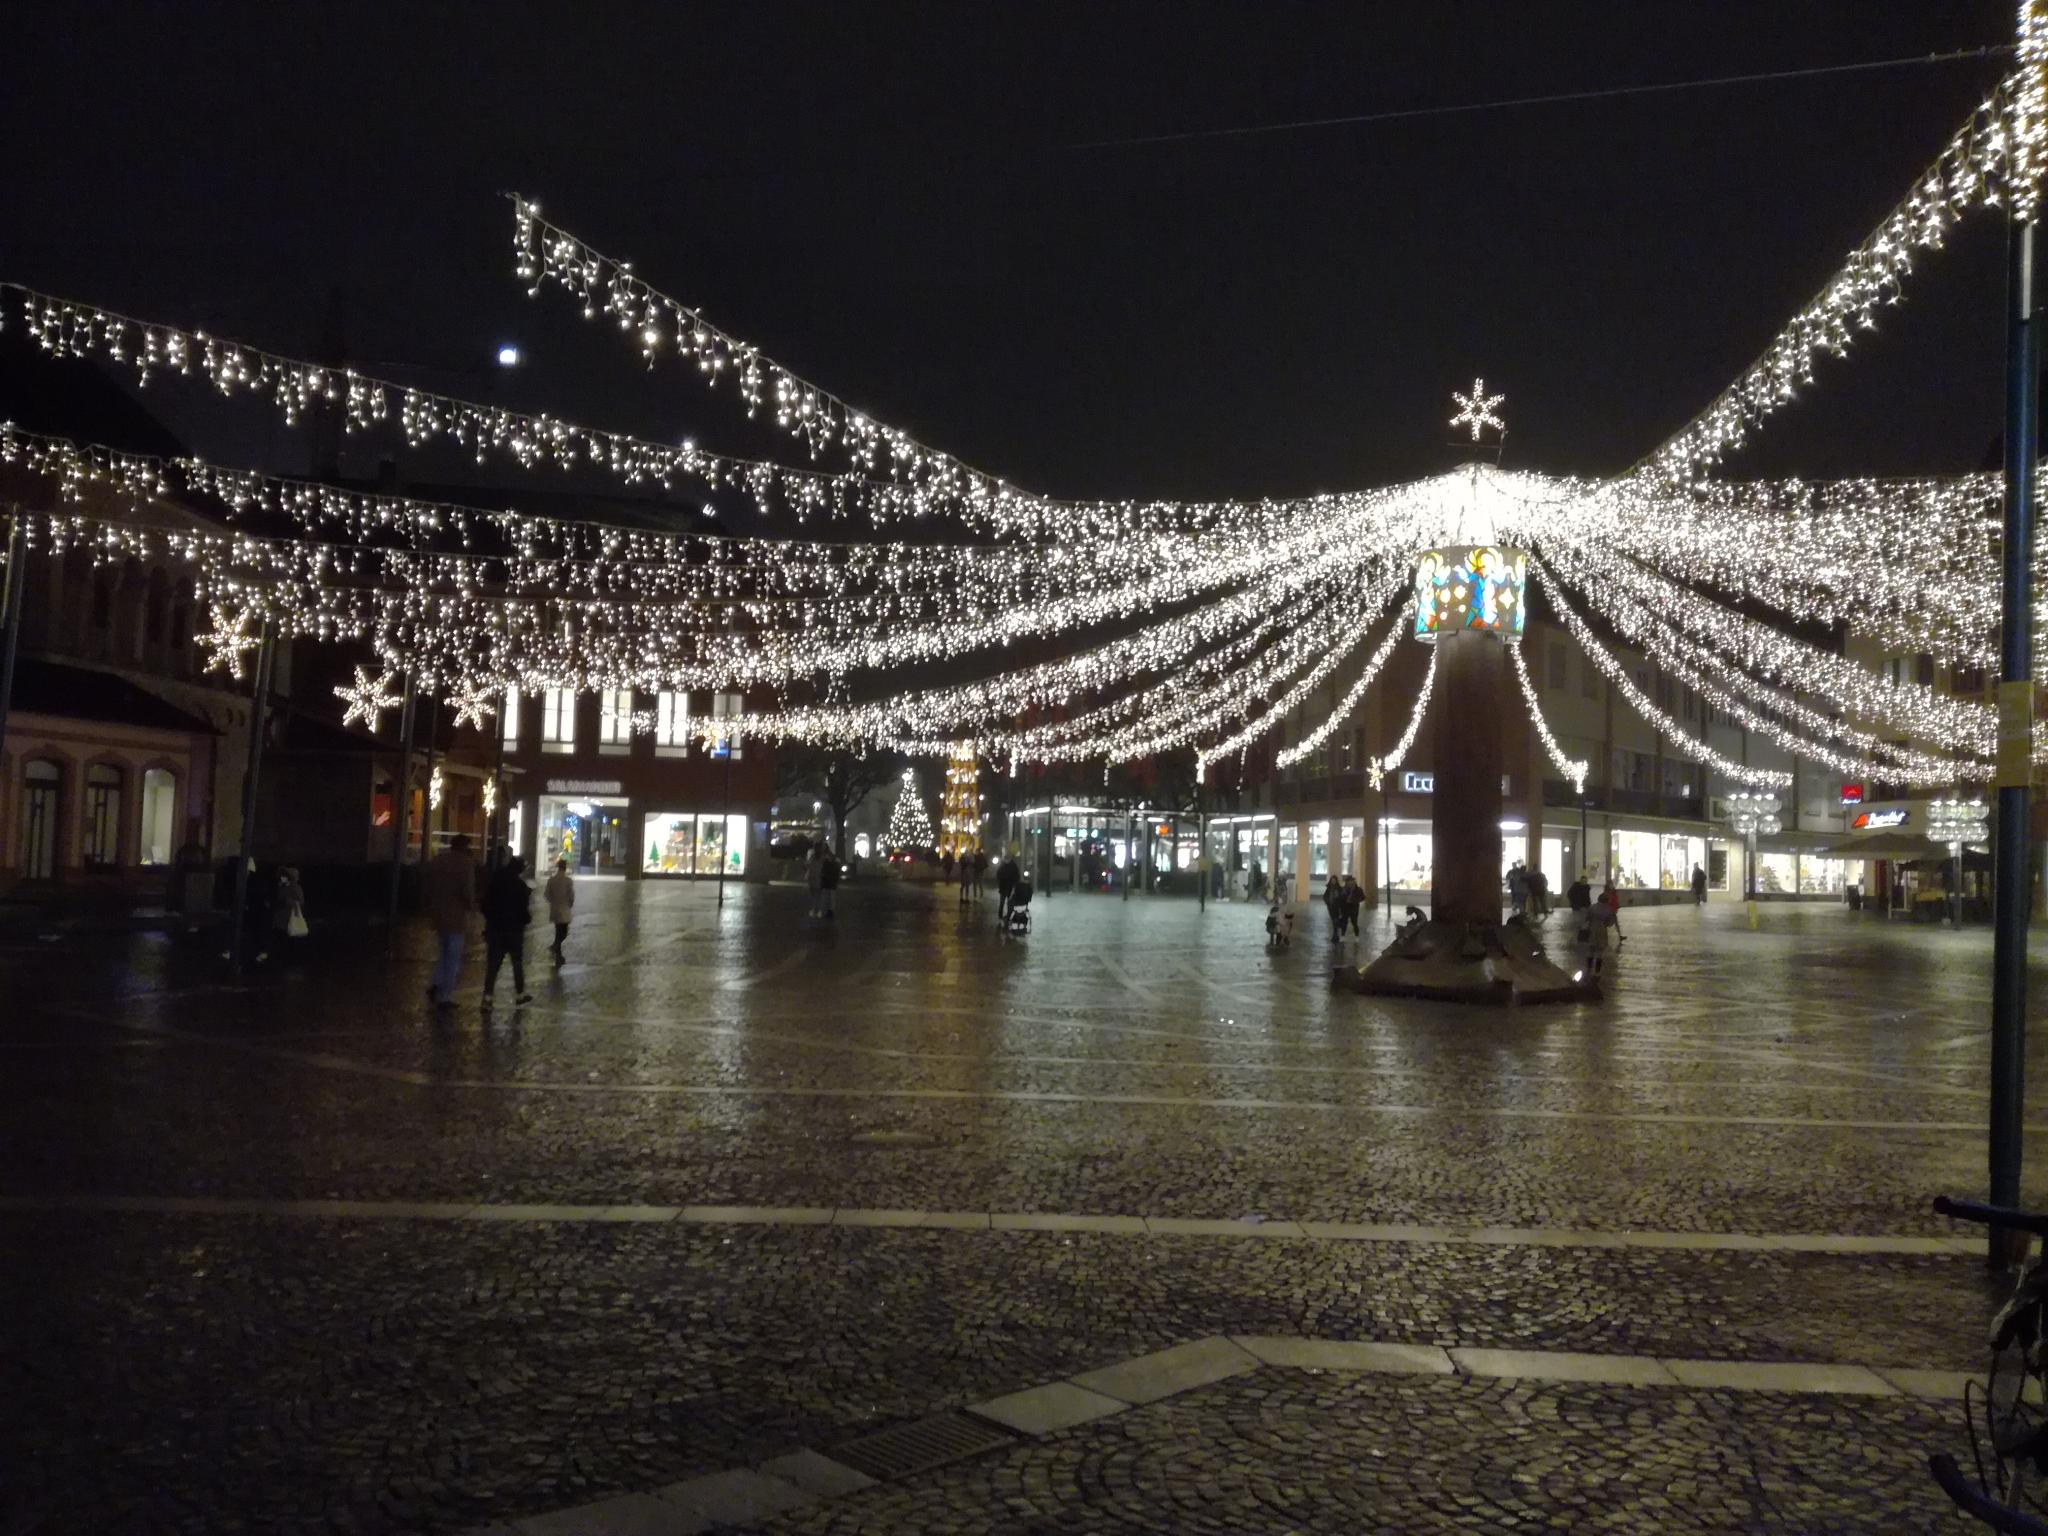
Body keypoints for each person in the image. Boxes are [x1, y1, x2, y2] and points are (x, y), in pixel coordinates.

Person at [423, 835, 478, 1006]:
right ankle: (445, 994)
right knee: (453, 956)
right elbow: (466, 890)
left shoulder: (439, 860)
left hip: (439, 913)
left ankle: (436, 983)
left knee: (444, 951)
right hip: (455, 915)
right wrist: (472, 907)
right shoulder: (465, 864)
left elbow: (428, 884)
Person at [482, 853, 535, 1007]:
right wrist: (525, 919)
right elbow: (524, 912)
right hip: (514, 931)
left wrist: (491, 920)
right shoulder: (520, 887)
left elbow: (485, 905)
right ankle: (520, 994)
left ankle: (487, 997)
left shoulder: (495, 881)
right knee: (517, 963)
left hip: (496, 929)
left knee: (493, 965)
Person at [272, 866, 307, 958]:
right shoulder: (282, 886)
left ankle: (289, 957)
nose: (282, 878)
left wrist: (288, 901)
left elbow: (301, 902)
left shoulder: (295, 887)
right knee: (282, 938)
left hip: (289, 916)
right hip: (281, 916)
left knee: (289, 939)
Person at [545, 858, 575, 965]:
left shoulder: (551, 880)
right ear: (565, 867)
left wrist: (553, 901)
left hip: (555, 909)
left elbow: (547, 895)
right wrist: (570, 904)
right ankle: (557, 951)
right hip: (565, 909)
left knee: (558, 932)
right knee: (563, 933)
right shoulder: (568, 881)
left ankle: (558, 954)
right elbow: (571, 896)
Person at [817, 842, 841, 918]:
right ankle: (828, 911)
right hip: (829, 880)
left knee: (827, 896)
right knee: (829, 896)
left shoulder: (825, 858)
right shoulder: (830, 858)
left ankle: (827, 911)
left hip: (828, 880)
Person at [1600, 879, 1627, 944]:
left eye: (1612, 884)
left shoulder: (1614, 892)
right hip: (1608, 911)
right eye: (1610, 884)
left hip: (1613, 910)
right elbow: (1606, 901)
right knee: (1606, 924)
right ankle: (1605, 937)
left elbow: (1616, 900)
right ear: (1608, 885)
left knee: (1615, 923)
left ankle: (1619, 936)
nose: (1611, 885)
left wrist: (1617, 906)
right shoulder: (1606, 893)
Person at [996, 852, 1021, 918]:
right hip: (1006, 887)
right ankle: (1006, 915)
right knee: (1006, 902)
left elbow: (998, 874)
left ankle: (1004, 915)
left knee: (1005, 902)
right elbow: (1017, 876)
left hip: (1007, 887)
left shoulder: (1003, 866)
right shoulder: (1013, 866)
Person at [805, 840, 826, 917]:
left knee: (813, 895)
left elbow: (808, 865)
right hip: (820, 878)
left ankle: (814, 909)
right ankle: (819, 910)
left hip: (812, 878)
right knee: (819, 895)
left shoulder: (812, 857)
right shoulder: (823, 857)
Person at [1322, 875, 1344, 941]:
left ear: (1336, 881)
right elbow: (1325, 896)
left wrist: (1340, 903)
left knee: (1335, 920)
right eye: (1332, 880)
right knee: (1334, 920)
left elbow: (1342, 898)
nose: (1333, 881)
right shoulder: (1329, 888)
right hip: (1331, 907)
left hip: (1337, 908)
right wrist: (1327, 902)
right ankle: (1336, 934)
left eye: (1334, 880)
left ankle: (1335, 934)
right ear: (1331, 881)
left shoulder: (1339, 889)